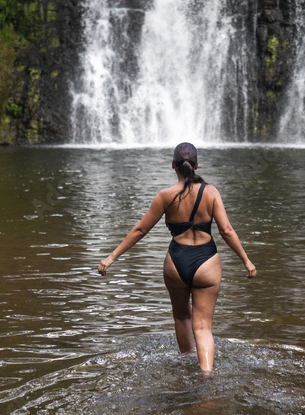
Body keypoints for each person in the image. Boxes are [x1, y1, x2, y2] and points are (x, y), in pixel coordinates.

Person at [97, 142, 257, 373]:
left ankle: (186, 369)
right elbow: (227, 231)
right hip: (207, 261)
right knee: (203, 328)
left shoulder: (165, 196)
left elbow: (140, 230)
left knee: (182, 318)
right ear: (197, 164)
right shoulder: (211, 193)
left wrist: (111, 257)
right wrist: (246, 261)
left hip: (176, 262)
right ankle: (206, 376)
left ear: (173, 165)